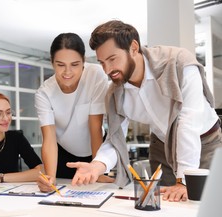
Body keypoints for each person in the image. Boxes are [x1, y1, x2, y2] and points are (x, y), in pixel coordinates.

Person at [68, 20, 222, 202]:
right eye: (102, 63)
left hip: (204, 141)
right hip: (161, 146)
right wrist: (97, 166)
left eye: (112, 59)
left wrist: (183, 180)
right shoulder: (116, 94)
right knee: (164, 205)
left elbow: (188, 121)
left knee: (207, 205)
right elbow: (115, 138)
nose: (108, 70)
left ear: (133, 47)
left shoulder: (179, 64)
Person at [35, 32, 111, 192]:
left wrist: (96, 167)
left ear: (83, 61)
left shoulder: (96, 75)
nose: (67, 72)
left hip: (95, 150)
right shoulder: (44, 93)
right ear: (52, 62)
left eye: (75, 64)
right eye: (60, 65)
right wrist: (50, 177)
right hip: (64, 155)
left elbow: (95, 126)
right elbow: (49, 138)